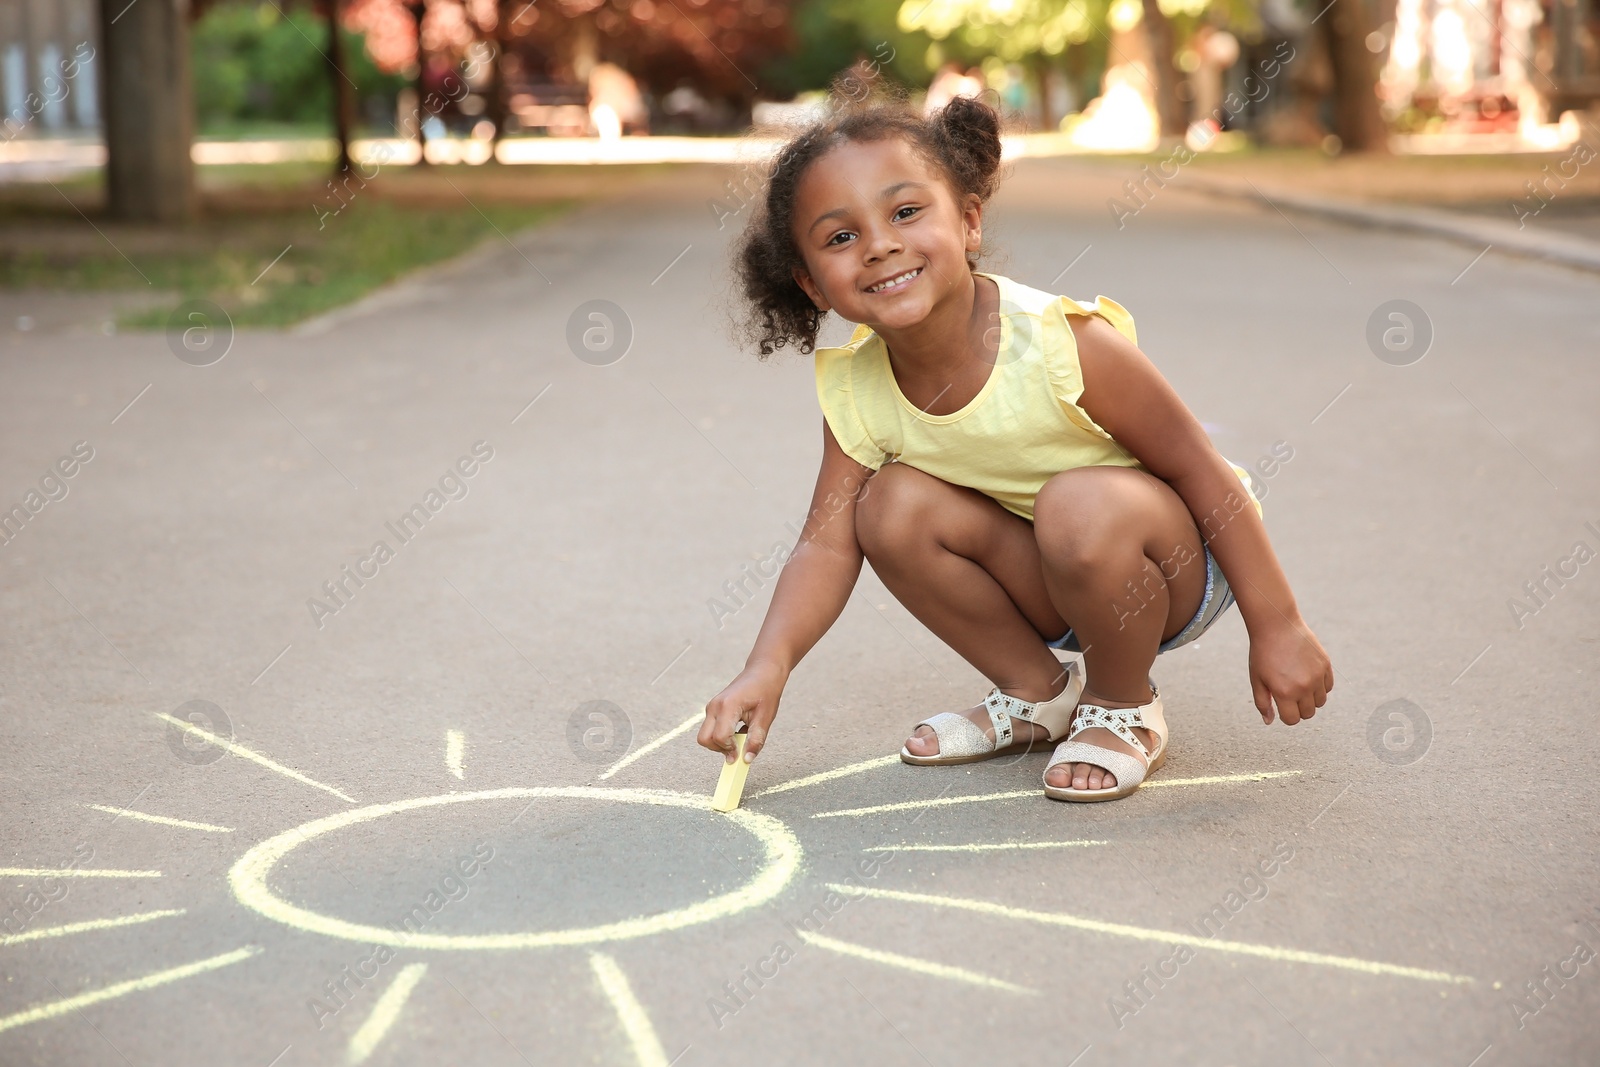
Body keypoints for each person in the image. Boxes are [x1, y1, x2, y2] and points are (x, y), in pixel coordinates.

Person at [696, 91, 1332, 802]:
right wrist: (767, 665)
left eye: (906, 212)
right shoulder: (858, 386)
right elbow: (825, 544)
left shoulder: (1063, 343)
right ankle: (1039, 694)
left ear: (968, 221)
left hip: (1177, 565)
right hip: (1054, 571)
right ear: (812, 284)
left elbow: (1202, 470)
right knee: (886, 507)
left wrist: (1276, 625)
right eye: (840, 237)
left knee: (1077, 502)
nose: (878, 245)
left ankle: (1125, 704)